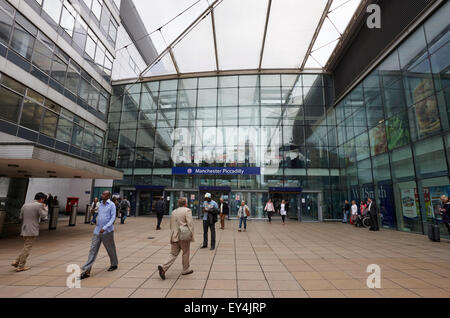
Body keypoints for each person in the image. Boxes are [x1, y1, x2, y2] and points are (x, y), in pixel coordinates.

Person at [80, 191, 118, 279]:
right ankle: (87, 271)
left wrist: (105, 227)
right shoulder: (100, 204)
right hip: (97, 231)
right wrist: (93, 212)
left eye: (104, 194)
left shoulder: (111, 205)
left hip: (107, 231)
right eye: (102, 194)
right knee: (92, 250)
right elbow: (98, 214)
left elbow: (113, 218)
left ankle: (114, 264)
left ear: (108, 196)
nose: (102, 195)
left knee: (110, 249)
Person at [157, 197, 194, 280]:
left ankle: (163, 267)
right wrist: (191, 235)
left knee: (173, 253)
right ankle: (185, 269)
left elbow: (171, 225)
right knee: (185, 252)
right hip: (183, 236)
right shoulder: (187, 210)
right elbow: (190, 224)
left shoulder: (174, 212)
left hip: (174, 235)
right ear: (185, 203)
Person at [11, 192, 48, 272]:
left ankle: (17, 261)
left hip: (24, 228)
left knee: (26, 246)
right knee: (27, 248)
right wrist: (46, 209)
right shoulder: (40, 205)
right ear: (41, 199)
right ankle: (21, 266)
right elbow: (44, 216)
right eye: (44, 199)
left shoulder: (25, 205)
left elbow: (20, 217)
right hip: (32, 229)